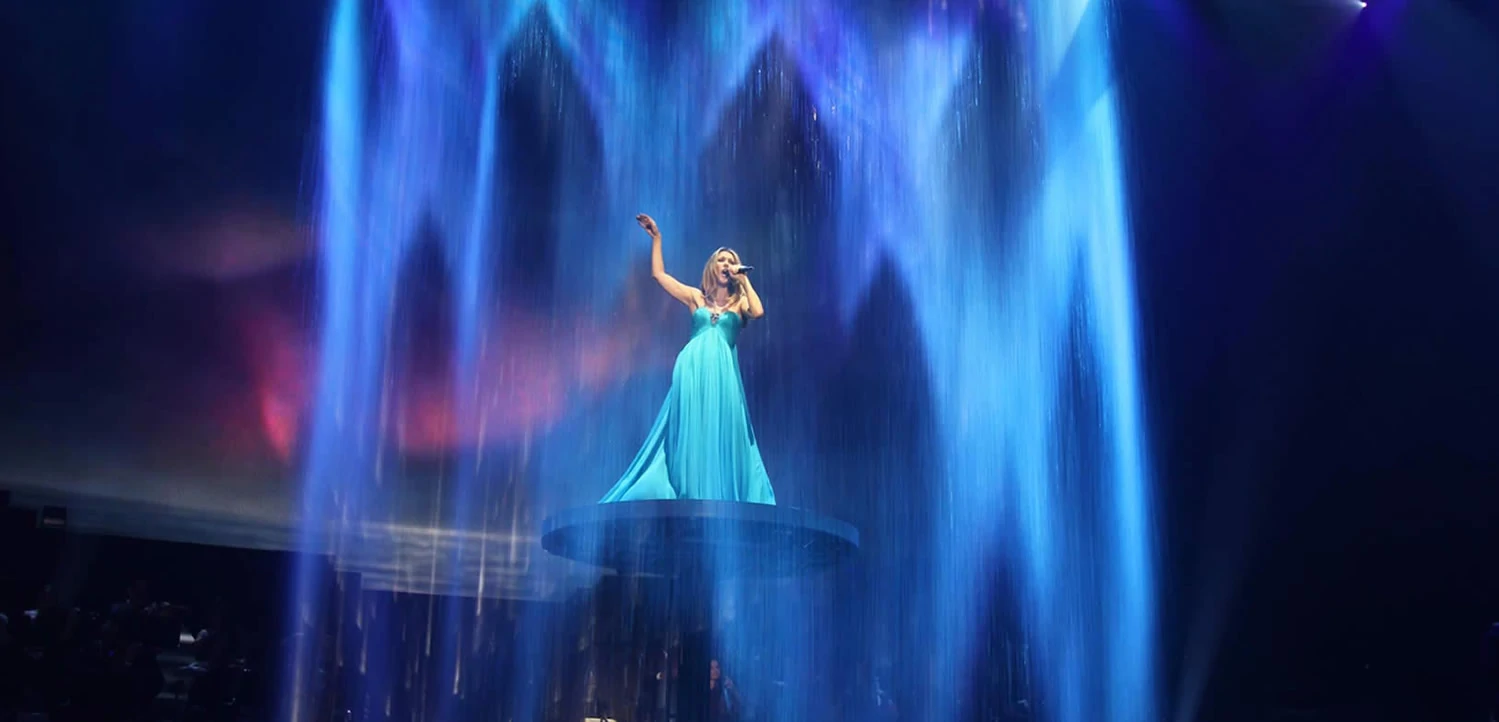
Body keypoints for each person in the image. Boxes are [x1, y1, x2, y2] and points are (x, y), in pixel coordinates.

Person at [599, 213, 776, 505]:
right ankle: (690, 491)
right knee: (692, 427)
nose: (727, 264)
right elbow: (660, 276)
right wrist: (657, 239)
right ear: (712, 267)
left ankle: (717, 497)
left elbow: (758, 312)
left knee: (722, 427)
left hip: (723, 375)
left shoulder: (740, 302)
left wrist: (744, 280)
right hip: (692, 371)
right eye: (722, 260)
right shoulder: (697, 298)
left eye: (731, 261)